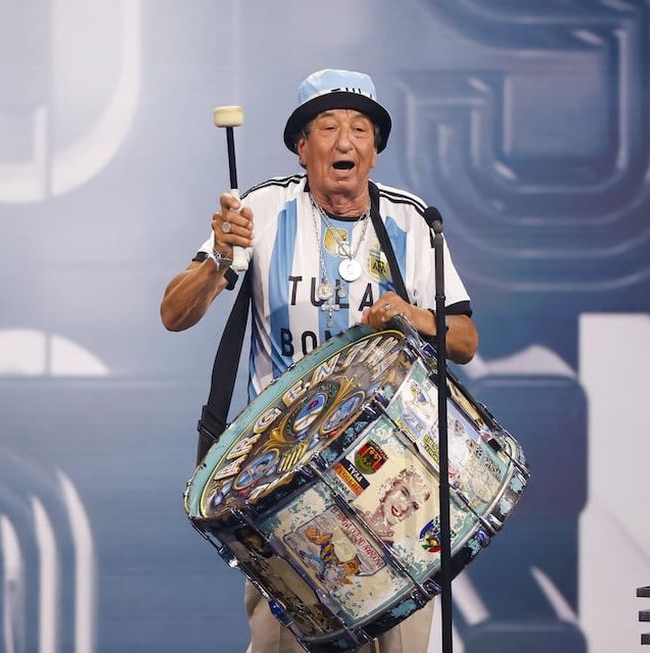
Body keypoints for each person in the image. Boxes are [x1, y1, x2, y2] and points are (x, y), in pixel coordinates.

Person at [162, 68, 479, 653]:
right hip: (285, 489)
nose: (345, 141)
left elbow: (463, 339)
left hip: (398, 487)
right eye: (327, 127)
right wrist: (218, 261)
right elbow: (175, 313)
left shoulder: (412, 221)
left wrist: (413, 315)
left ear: (375, 152)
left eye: (360, 129)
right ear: (302, 148)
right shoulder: (261, 209)